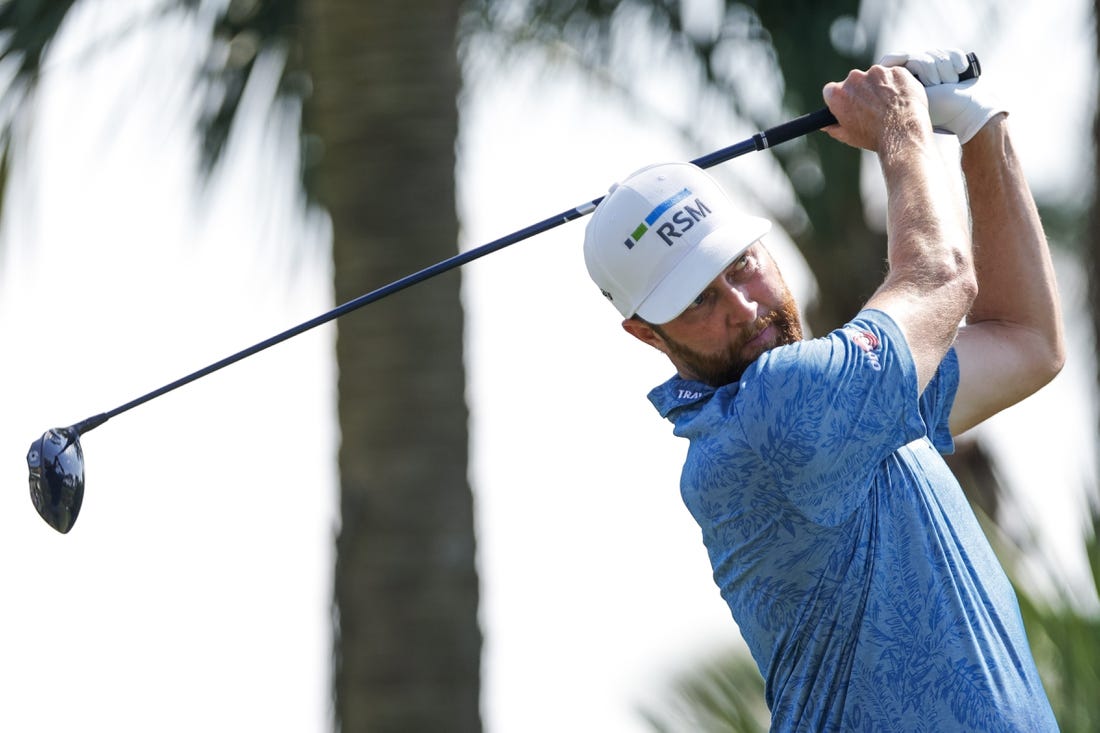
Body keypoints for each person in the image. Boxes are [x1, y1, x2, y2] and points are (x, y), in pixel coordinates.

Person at [582, 49, 1064, 731]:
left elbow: (1026, 341)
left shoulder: (856, 403)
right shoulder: (770, 415)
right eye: (696, 301)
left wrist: (980, 127)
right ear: (645, 334)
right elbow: (939, 277)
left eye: (741, 266)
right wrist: (902, 125)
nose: (744, 308)